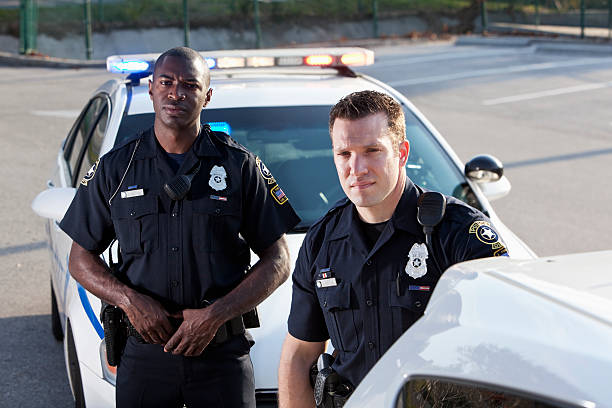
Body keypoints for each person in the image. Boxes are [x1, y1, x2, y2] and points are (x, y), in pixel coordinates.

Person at [60, 46, 300, 408]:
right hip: (145, 358)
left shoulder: (239, 167)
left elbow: (278, 259)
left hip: (221, 356)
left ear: (207, 96)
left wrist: (214, 315)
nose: (177, 92)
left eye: (190, 84)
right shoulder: (117, 168)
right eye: (167, 82)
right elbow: (80, 259)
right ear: (152, 90)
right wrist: (130, 301)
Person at [278, 90, 508, 407]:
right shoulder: (321, 242)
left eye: (372, 150)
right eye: (344, 154)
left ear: (401, 152)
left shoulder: (458, 234)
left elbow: (504, 347)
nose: (356, 168)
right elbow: (299, 356)